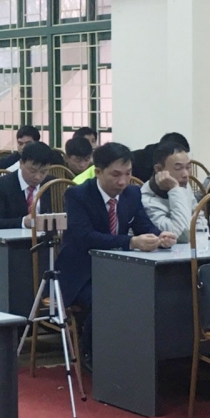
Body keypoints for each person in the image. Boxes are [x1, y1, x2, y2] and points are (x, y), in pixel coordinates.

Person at [59, 143, 163, 363]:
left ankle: (135, 354)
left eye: (128, 174)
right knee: (108, 298)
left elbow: (144, 226)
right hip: (81, 273)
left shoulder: (132, 193)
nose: (123, 181)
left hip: (118, 270)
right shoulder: (77, 195)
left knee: (148, 292)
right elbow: (85, 237)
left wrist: (160, 237)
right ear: (98, 171)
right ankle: (91, 354)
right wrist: (131, 242)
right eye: (115, 175)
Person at [0, 141, 56, 229]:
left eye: (43, 172)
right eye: (32, 171)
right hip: (13, 236)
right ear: (21, 163)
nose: (38, 177)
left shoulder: (53, 184)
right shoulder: (1, 185)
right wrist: (23, 222)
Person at [140, 140, 196, 242]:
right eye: (178, 168)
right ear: (159, 169)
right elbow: (182, 235)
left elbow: (198, 216)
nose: (186, 174)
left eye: (188, 167)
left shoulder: (183, 185)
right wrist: (174, 190)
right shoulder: (146, 200)